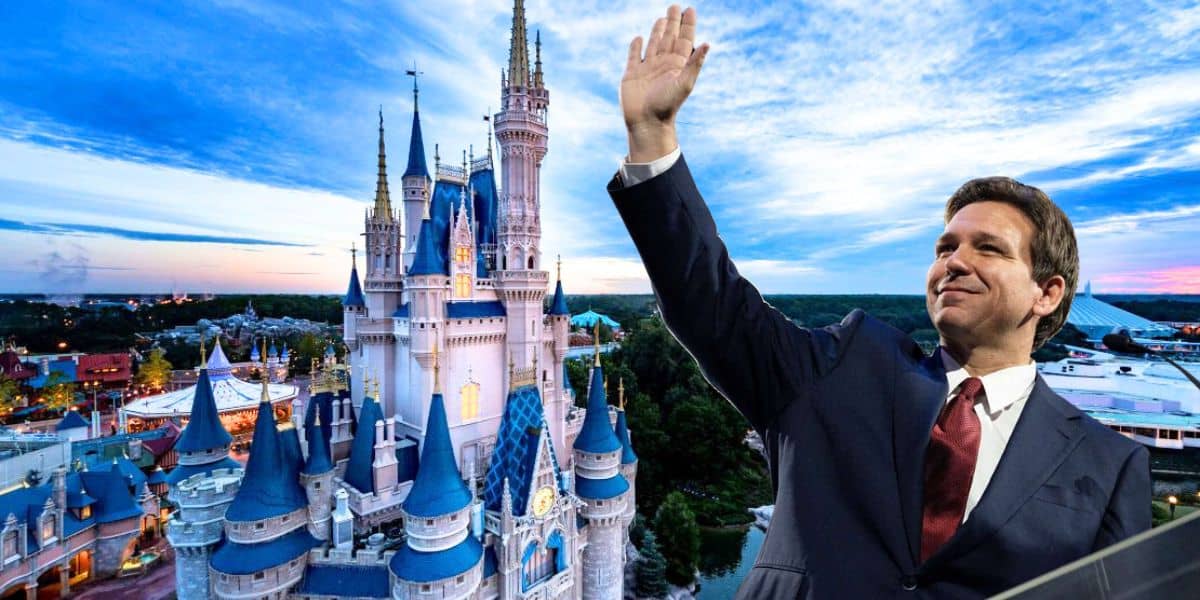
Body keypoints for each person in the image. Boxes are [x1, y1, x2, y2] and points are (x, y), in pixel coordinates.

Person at [607, 6, 1150, 598]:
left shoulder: (1108, 463)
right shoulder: (842, 367)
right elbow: (710, 305)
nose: (954, 261)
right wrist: (652, 138)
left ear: (1047, 293)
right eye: (946, 246)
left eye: (987, 248)